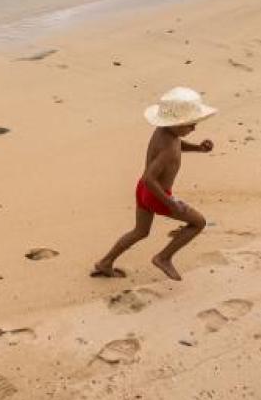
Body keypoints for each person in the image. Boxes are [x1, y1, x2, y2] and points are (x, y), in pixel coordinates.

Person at [93, 87, 217, 281]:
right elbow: (149, 179)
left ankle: (105, 262)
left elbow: (178, 146)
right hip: (155, 193)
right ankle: (164, 257)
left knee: (140, 231)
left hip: (142, 192)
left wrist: (198, 148)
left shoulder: (165, 133)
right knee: (198, 222)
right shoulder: (168, 147)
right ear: (176, 123)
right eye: (191, 124)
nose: (194, 129)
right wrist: (170, 202)